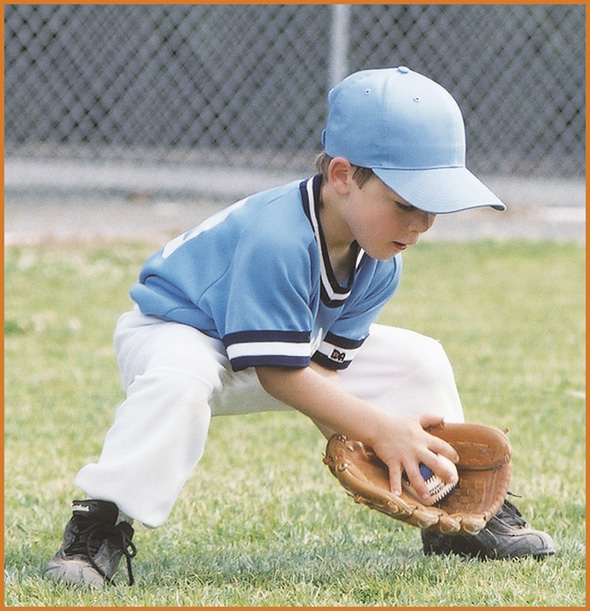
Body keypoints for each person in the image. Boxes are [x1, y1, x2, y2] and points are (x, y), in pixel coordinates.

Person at [43, 66, 555, 588]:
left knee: (419, 359)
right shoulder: (280, 237)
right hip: (176, 330)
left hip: (280, 349)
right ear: (341, 176)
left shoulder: (381, 260)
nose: (421, 224)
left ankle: (447, 498)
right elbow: (278, 375)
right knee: (181, 379)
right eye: (406, 203)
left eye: (435, 207)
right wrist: (378, 428)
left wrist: (368, 441)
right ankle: (99, 525)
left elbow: (321, 371)